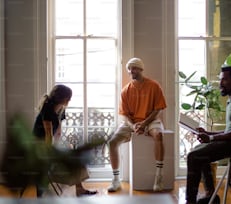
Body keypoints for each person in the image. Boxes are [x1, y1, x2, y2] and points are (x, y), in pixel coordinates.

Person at [185, 66, 231, 204]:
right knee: (199, 150)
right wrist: (207, 133)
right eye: (220, 80)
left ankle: (190, 201)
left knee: (194, 156)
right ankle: (211, 196)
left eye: (224, 80)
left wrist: (211, 138)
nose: (220, 83)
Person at [107, 57, 167, 192]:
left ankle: (159, 176)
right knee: (112, 142)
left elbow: (158, 109)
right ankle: (116, 180)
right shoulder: (125, 90)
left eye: (133, 68)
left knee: (159, 135)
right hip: (131, 123)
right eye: (129, 69)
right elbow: (125, 114)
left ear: (141, 69)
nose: (131, 71)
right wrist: (134, 125)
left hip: (151, 121)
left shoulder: (154, 86)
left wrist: (144, 123)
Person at [32, 84, 97, 197]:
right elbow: (48, 134)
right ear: (61, 97)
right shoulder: (47, 108)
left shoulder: (61, 108)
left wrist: (62, 147)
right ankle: (42, 195)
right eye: (68, 97)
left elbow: (58, 132)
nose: (70, 99)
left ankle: (80, 190)